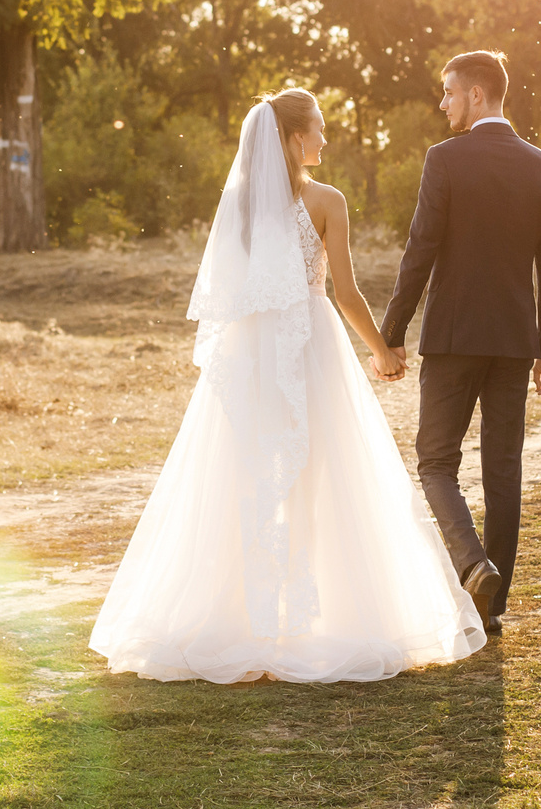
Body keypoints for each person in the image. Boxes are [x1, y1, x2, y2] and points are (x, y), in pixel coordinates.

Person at [90, 90, 487, 683]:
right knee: (319, 473)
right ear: (297, 137)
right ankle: (308, 621)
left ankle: (254, 620)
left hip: (251, 350)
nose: (326, 140)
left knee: (247, 476)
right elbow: (344, 293)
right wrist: (382, 350)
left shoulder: (240, 204)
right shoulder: (327, 201)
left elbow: (228, 291)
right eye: (320, 129)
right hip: (309, 344)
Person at [380, 50, 541, 636]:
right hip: (514, 340)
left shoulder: (445, 160)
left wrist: (393, 333)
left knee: (436, 461)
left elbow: (421, 251)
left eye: (448, 92)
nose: (442, 104)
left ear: (477, 95)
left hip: (454, 338)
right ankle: (495, 605)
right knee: (503, 467)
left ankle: (472, 564)